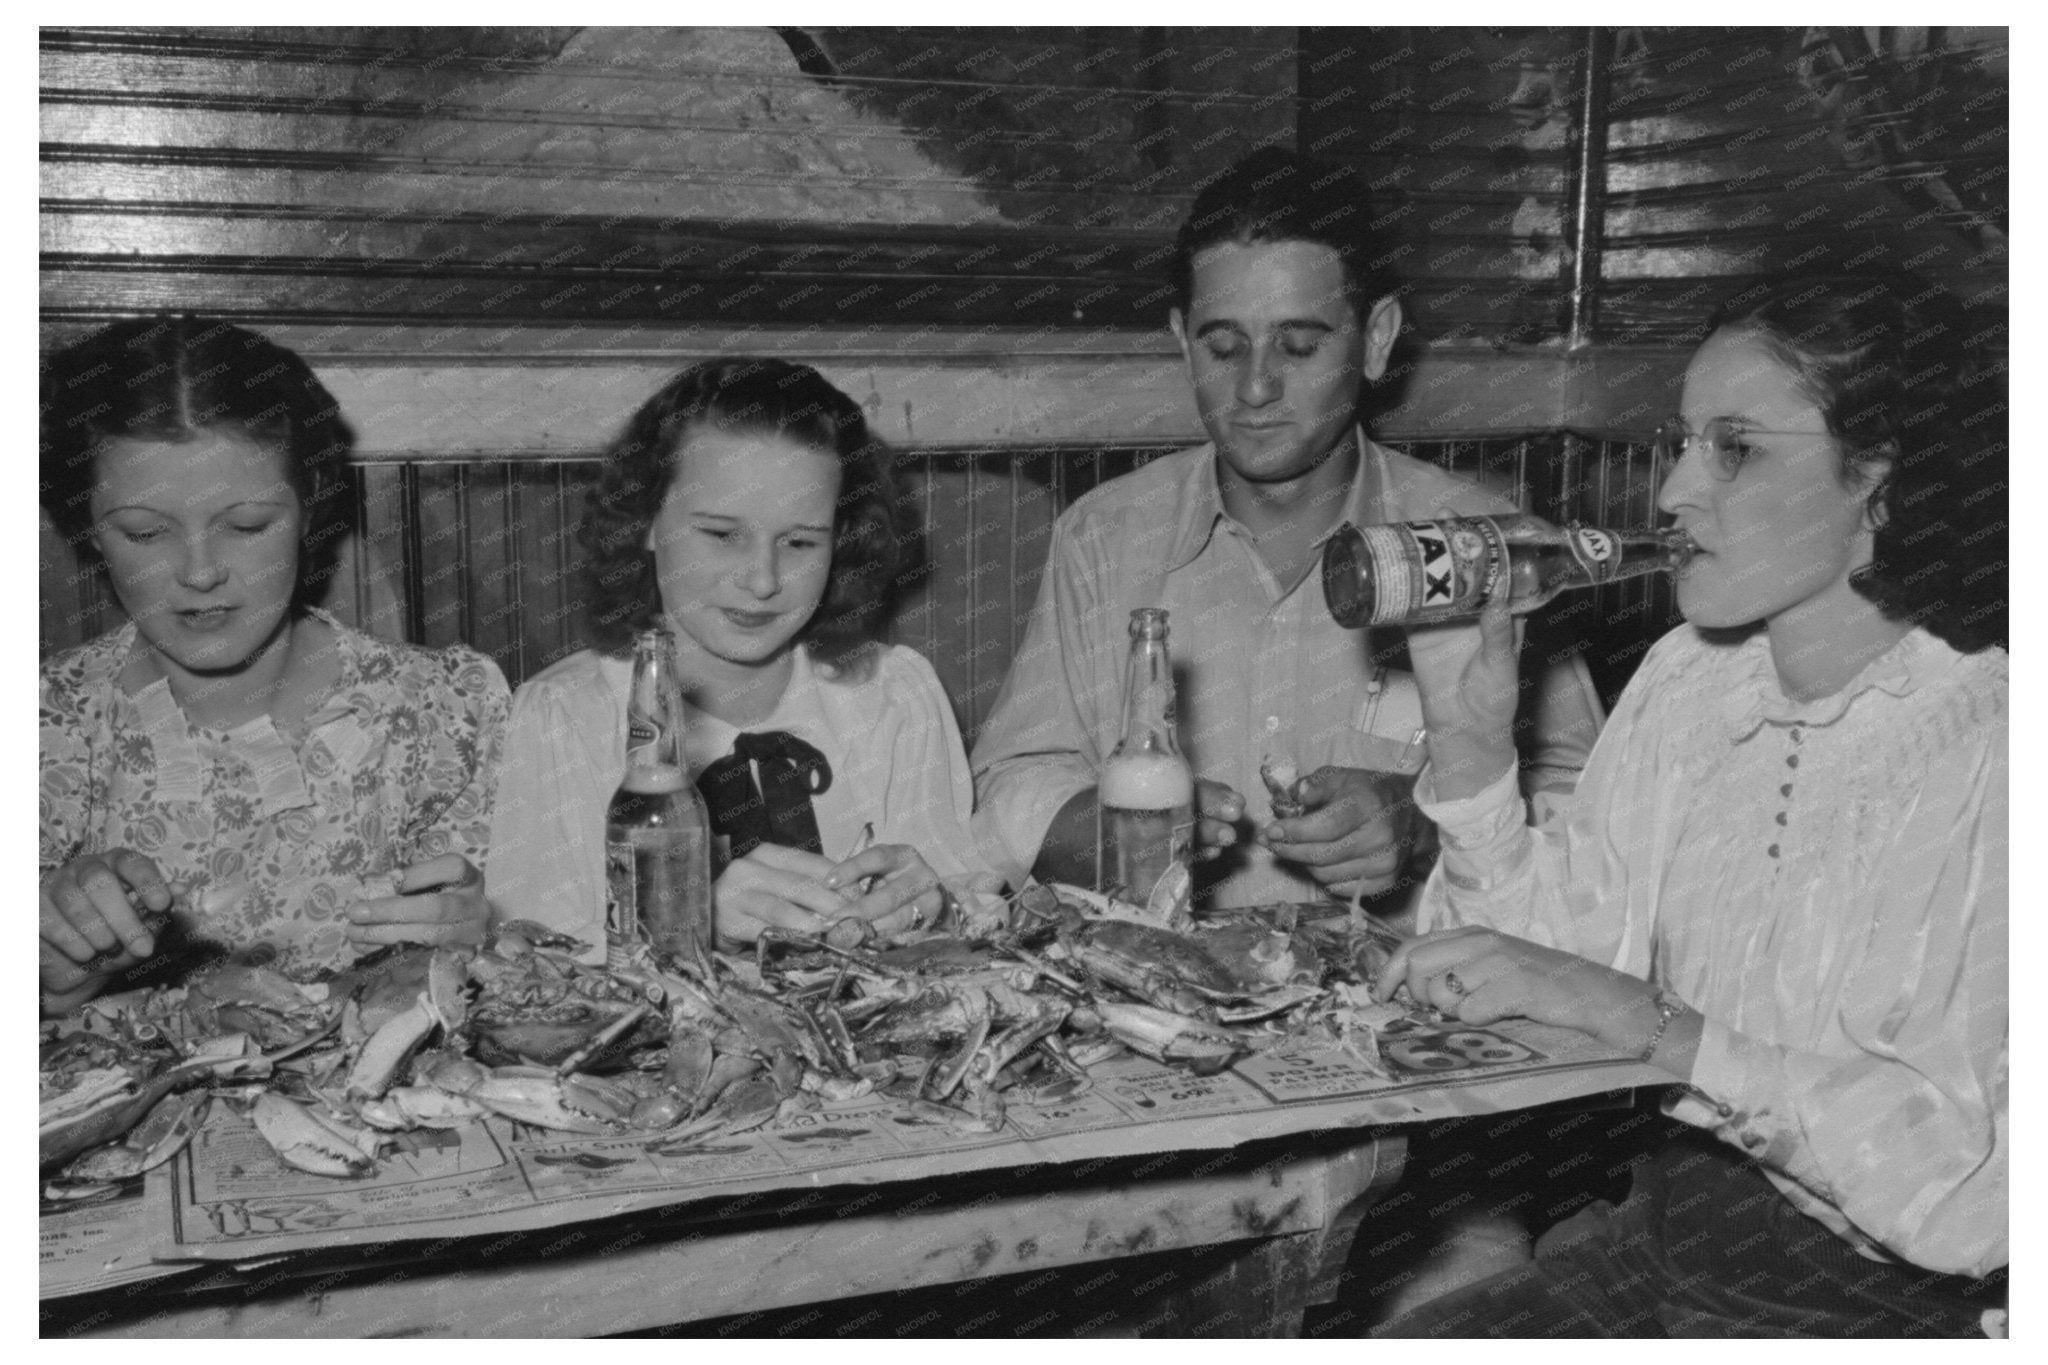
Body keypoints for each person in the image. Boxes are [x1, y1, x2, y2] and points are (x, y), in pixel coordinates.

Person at [1370, 271, 2007, 1337]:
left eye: (1734, 448)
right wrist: (1474, 745)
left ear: (1878, 481)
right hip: (1660, 1254)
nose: (1669, 492)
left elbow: (1972, 1193)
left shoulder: (1990, 735)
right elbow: (1541, 983)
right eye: (1678, 442)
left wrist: (1654, 1029)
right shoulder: (1690, 676)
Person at [972, 148, 1604, 914]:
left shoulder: (1483, 545)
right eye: (1222, 346)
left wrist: (1428, 818)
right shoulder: (1103, 539)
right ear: (1181, 340)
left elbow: (1588, 816)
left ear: (1375, 340)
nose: (1256, 387)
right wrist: (1111, 831)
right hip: (1159, 998)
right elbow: (1011, 784)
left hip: (1415, 1009)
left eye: (1299, 346)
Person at [39, 317, 509, 1013]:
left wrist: (490, 933)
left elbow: (555, 962)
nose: (200, 572)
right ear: (85, 527)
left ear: (311, 507)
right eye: (144, 531)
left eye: (248, 524)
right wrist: (51, 979)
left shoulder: (446, 711)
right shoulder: (46, 725)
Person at [487, 358, 1001, 953]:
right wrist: (682, 924)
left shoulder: (897, 694)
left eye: (800, 541)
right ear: (645, 520)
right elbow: (527, 960)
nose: (762, 580)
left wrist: (934, 906)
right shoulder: (564, 716)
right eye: (722, 534)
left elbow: (971, 901)